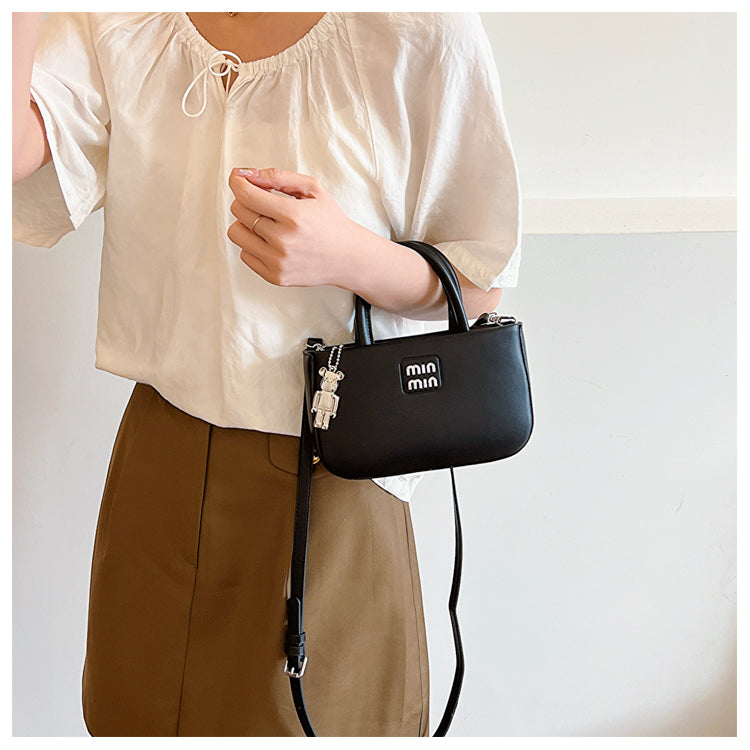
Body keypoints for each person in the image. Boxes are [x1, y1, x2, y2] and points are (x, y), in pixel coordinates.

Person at [12, 11, 522, 737]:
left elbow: (479, 279)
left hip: (335, 475)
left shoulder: (417, 28)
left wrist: (350, 256)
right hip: (161, 459)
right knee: (138, 716)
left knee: (324, 720)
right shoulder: (123, 18)